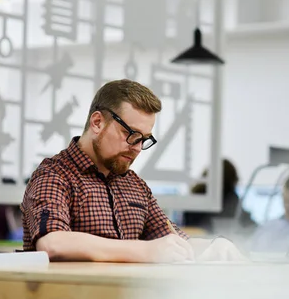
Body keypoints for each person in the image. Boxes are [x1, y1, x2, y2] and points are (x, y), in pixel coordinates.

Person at [21, 79, 244, 263]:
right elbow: (53, 243)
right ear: (97, 122)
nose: (137, 148)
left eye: (144, 140)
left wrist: (215, 248)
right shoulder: (55, 175)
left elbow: (174, 242)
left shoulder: (134, 186)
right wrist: (145, 251)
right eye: (132, 135)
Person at [183, 159, 257, 234]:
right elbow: (246, 222)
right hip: (214, 240)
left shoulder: (195, 196)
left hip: (194, 239)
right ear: (232, 179)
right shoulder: (229, 197)